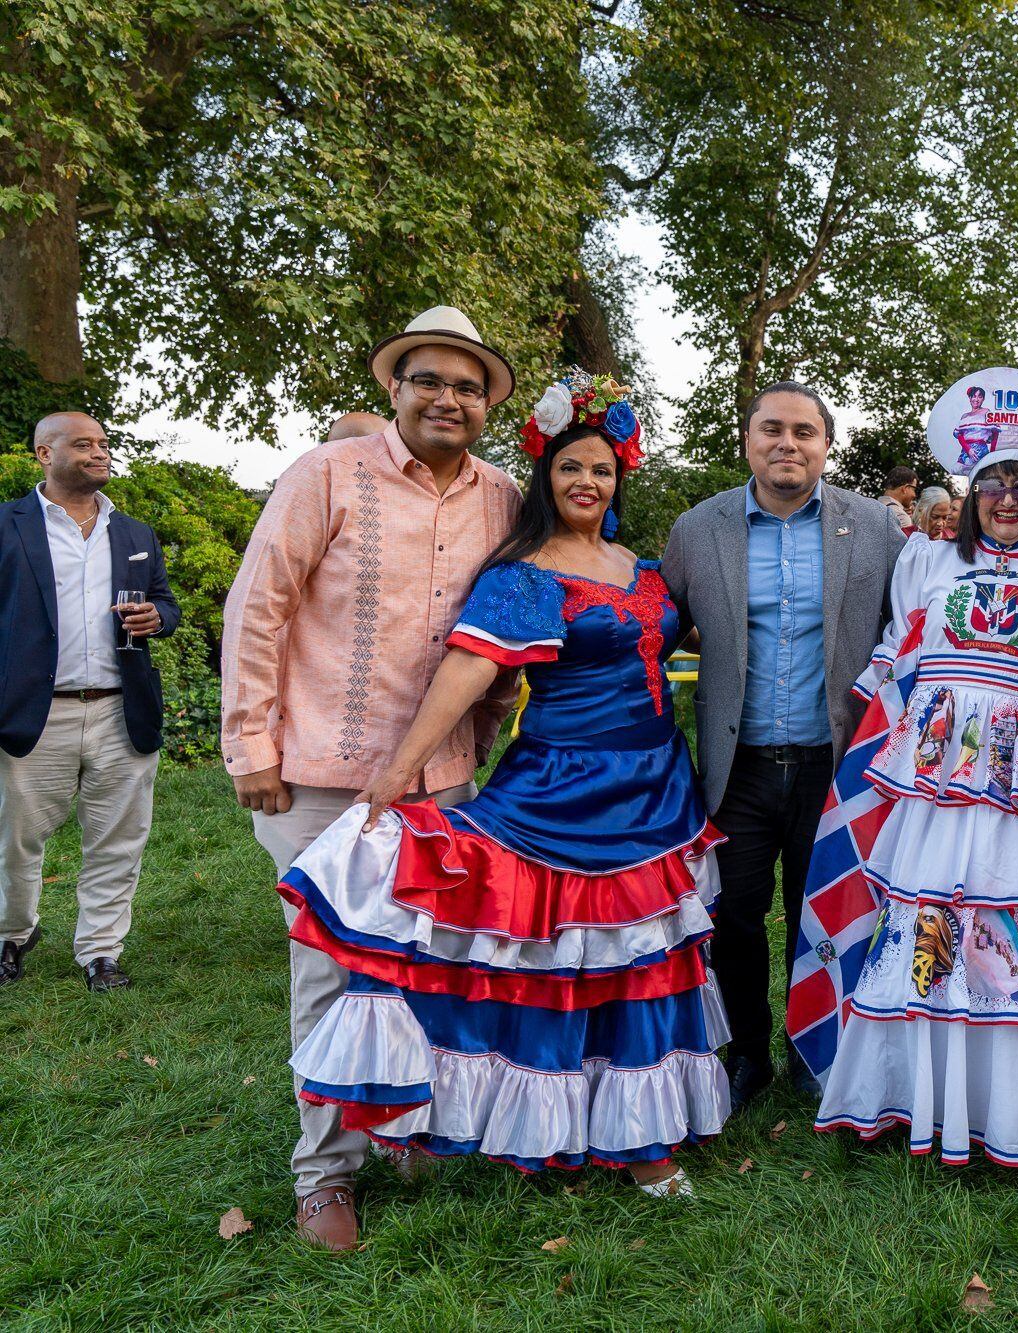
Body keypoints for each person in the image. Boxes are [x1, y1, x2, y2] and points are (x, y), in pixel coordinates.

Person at [280, 372, 729, 1208]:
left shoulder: (645, 567)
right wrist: (396, 773)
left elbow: (686, 635)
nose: (586, 483)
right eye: (569, 470)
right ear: (545, 480)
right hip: (561, 792)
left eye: (600, 469)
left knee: (643, 967)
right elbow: (465, 674)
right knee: (550, 965)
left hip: (657, 790)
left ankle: (641, 1140)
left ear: (620, 476)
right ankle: (413, 1137)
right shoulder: (525, 575)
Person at [221, 306, 523, 1248]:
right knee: (333, 970)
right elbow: (258, 605)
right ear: (393, 388)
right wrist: (250, 746)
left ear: (486, 405)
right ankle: (325, 1173)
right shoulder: (326, 474)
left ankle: (403, 1126)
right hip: (320, 774)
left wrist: (496, 721)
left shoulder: (505, 497)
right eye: (429, 379)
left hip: (444, 783)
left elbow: (510, 621)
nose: (448, 398)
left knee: (428, 965)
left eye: (468, 386)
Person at [807, 371, 1018, 1164]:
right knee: (934, 912)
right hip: (939, 777)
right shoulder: (924, 560)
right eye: (995, 484)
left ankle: (1017, 1103)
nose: (1009, 499)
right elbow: (896, 659)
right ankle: (922, 1095)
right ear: (973, 490)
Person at [662, 382, 905, 1110]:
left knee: (825, 909)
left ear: (827, 445)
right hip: (736, 769)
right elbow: (651, 636)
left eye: (805, 431)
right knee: (731, 916)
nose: (788, 444)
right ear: (748, 440)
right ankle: (747, 1053)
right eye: (773, 429)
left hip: (834, 765)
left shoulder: (875, 526)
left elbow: (916, 630)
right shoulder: (697, 530)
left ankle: (820, 1048)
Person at [0, 412, 180, 992]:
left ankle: (101, 951)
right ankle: (11, 935)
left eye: (103, 444)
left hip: (118, 709)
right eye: (83, 445)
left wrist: (160, 618)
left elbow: (164, 603)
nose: (99, 452)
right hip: (33, 712)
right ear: (43, 455)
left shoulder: (133, 534)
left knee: (117, 838)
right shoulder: (8, 526)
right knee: (13, 837)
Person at [880, 465, 919, 533]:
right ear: (905, 488)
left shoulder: (871, 506)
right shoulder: (901, 517)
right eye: (914, 489)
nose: (914, 495)